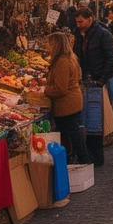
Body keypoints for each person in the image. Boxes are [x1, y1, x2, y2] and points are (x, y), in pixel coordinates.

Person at [73, 7, 113, 167]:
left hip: (96, 82)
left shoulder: (103, 34)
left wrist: (102, 79)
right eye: (76, 22)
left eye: (81, 21)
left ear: (90, 19)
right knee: (83, 120)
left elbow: (111, 58)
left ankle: (97, 157)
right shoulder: (78, 34)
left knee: (94, 121)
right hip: (82, 82)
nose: (78, 25)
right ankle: (87, 155)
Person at [44, 32, 91, 165]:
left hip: (66, 105)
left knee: (73, 134)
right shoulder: (70, 57)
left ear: (56, 45)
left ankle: (83, 160)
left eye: (49, 44)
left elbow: (61, 89)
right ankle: (77, 159)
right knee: (72, 133)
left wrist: (45, 90)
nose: (47, 47)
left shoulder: (62, 62)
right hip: (72, 102)